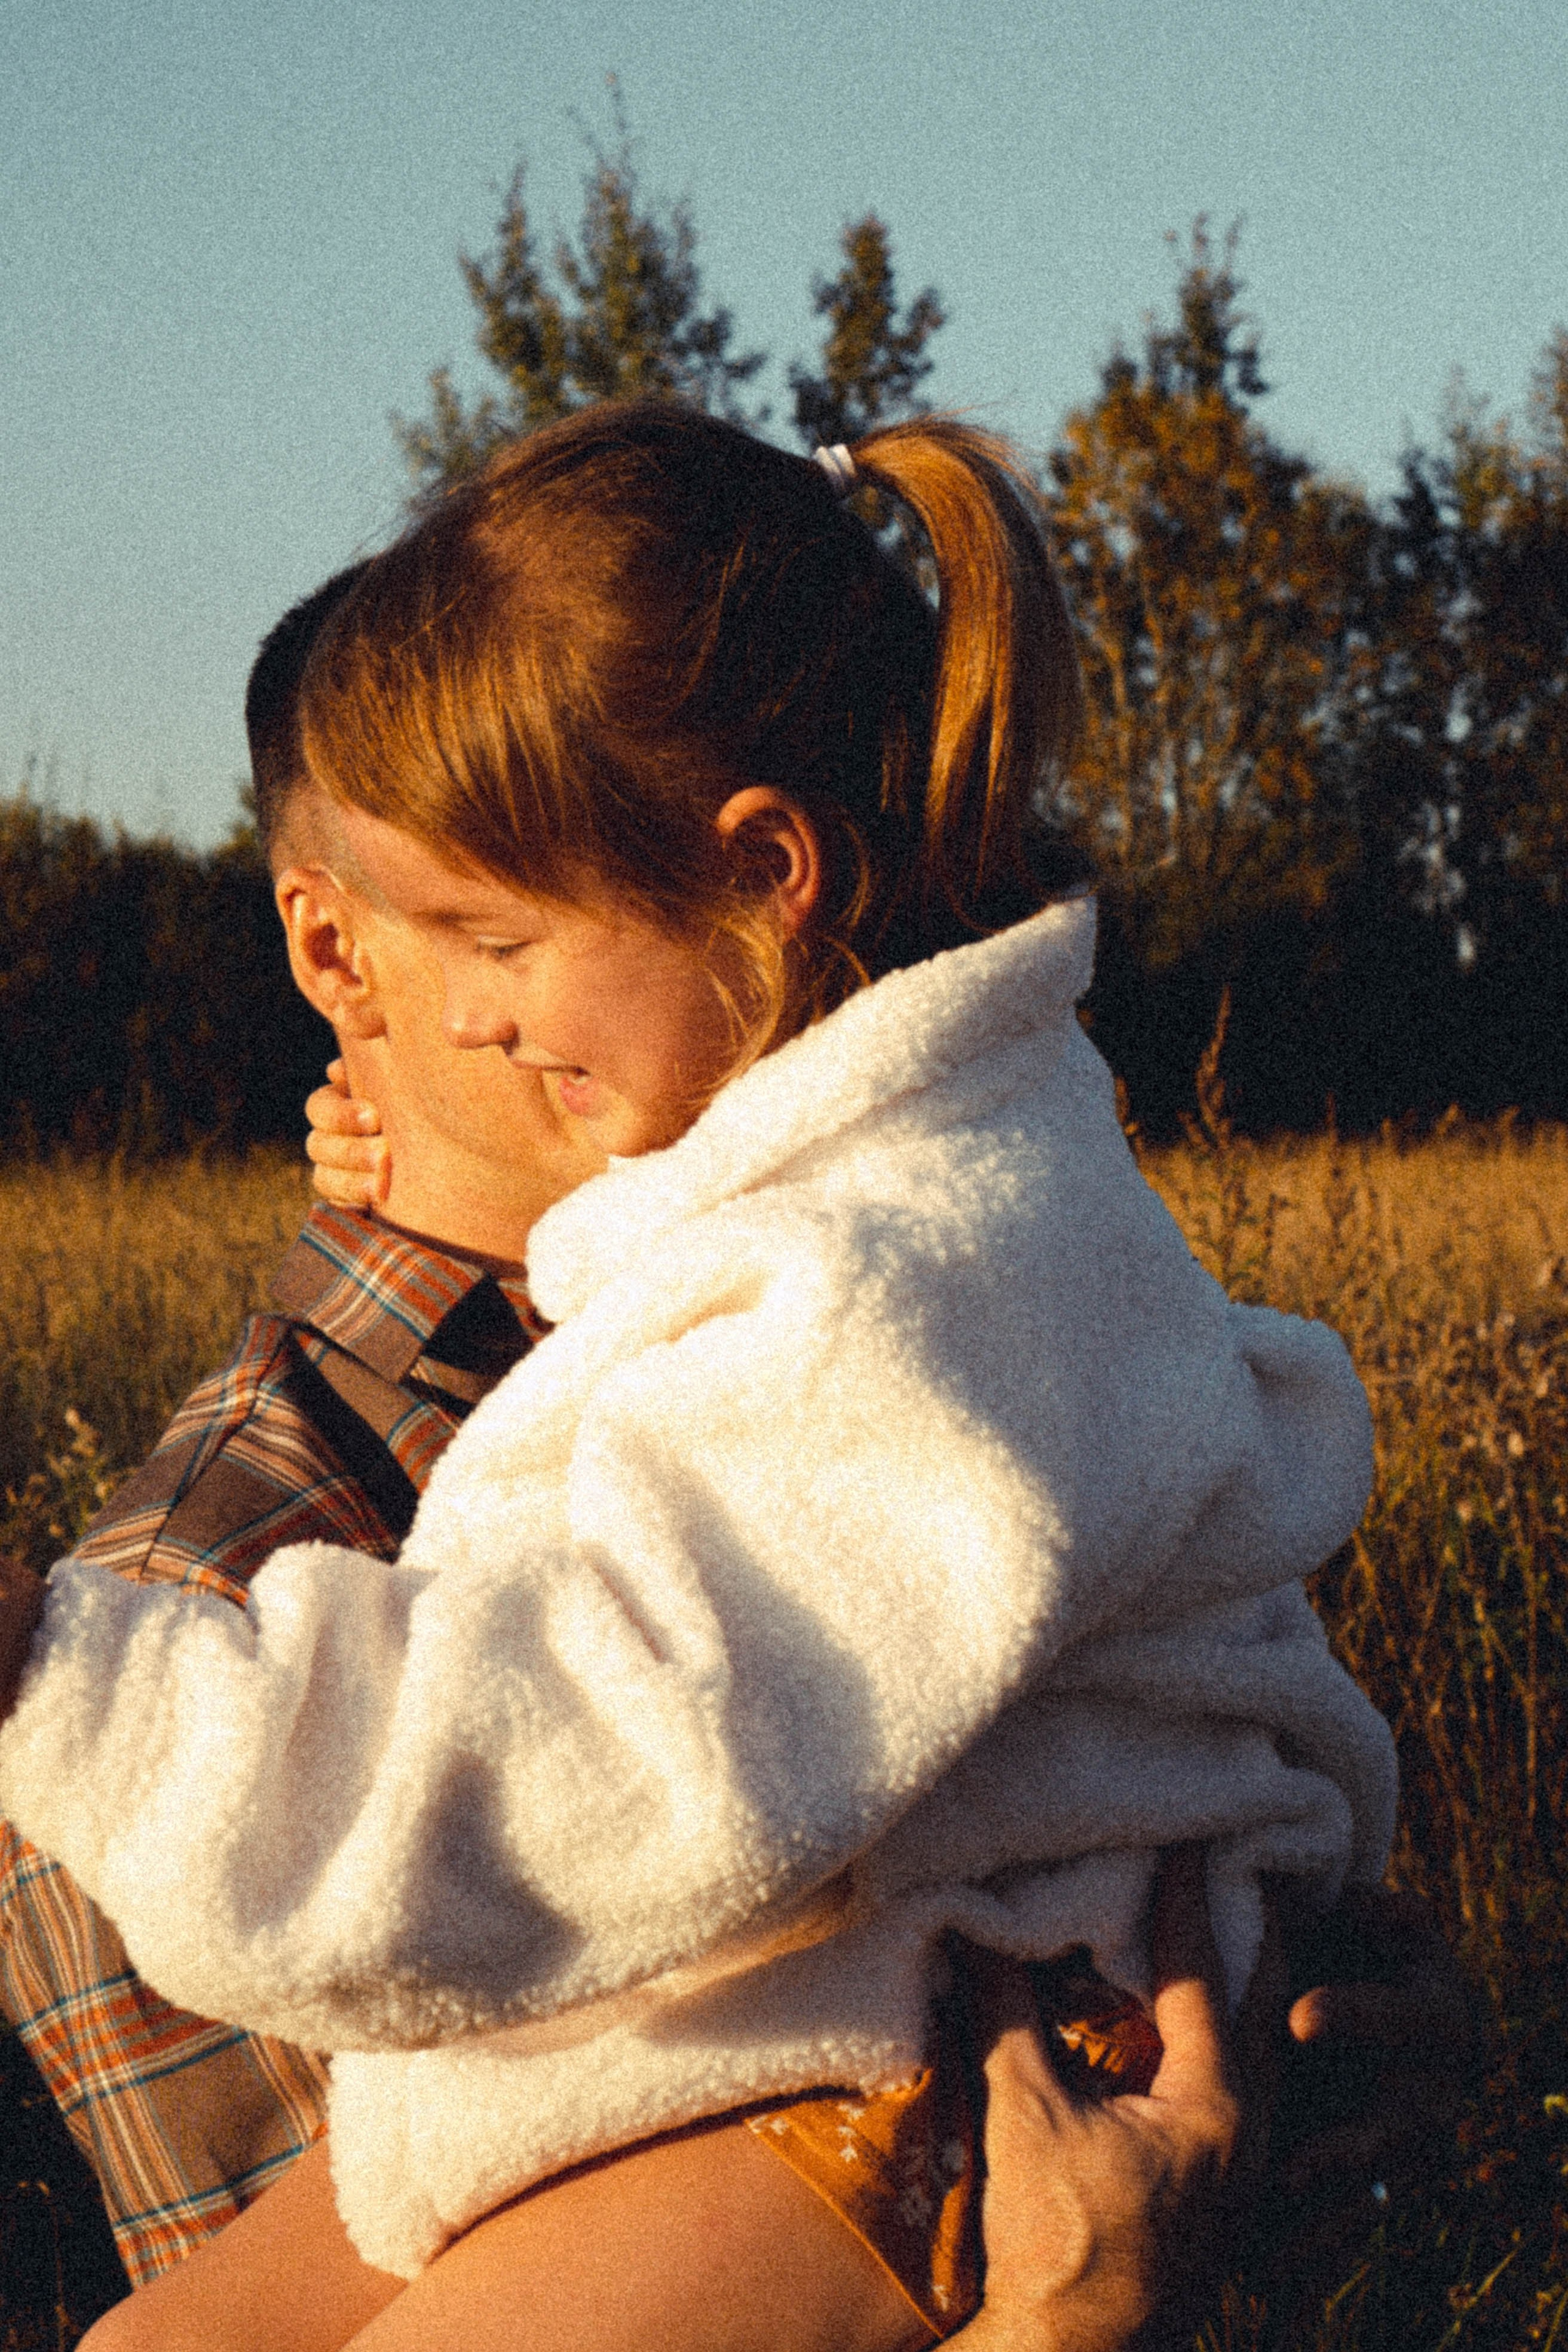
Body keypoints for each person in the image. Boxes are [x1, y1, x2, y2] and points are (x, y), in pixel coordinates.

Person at [0, 404, 1432, 2346]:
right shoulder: (837, 1190)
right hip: (769, 2006)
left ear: (761, 872)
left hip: (933, 2065)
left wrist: (71, 1681)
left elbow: (598, 1760)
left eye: (496, 936)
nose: (473, 1020)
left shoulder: (912, 1276)